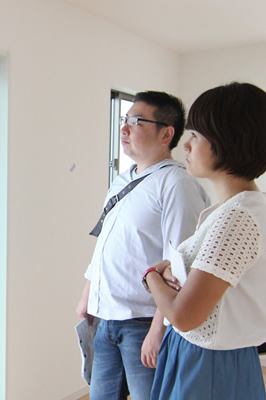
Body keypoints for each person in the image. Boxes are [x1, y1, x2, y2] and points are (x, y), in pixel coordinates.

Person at [76, 91, 210, 399]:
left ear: (166, 134)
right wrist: (88, 295)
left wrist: (158, 329)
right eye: (125, 119)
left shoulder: (177, 184)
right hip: (106, 317)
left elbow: (179, 266)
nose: (124, 128)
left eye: (136, 121)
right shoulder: (122, 180)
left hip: (143, 321)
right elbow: (106, 243)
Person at [145, 82, 266, 399]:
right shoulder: (237, 209)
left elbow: (184, 316)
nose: (186, 145)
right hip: (209, 357)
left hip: (209, 363)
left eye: (196, 135)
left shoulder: (238, 217)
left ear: (228, 141)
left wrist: (151, 276)